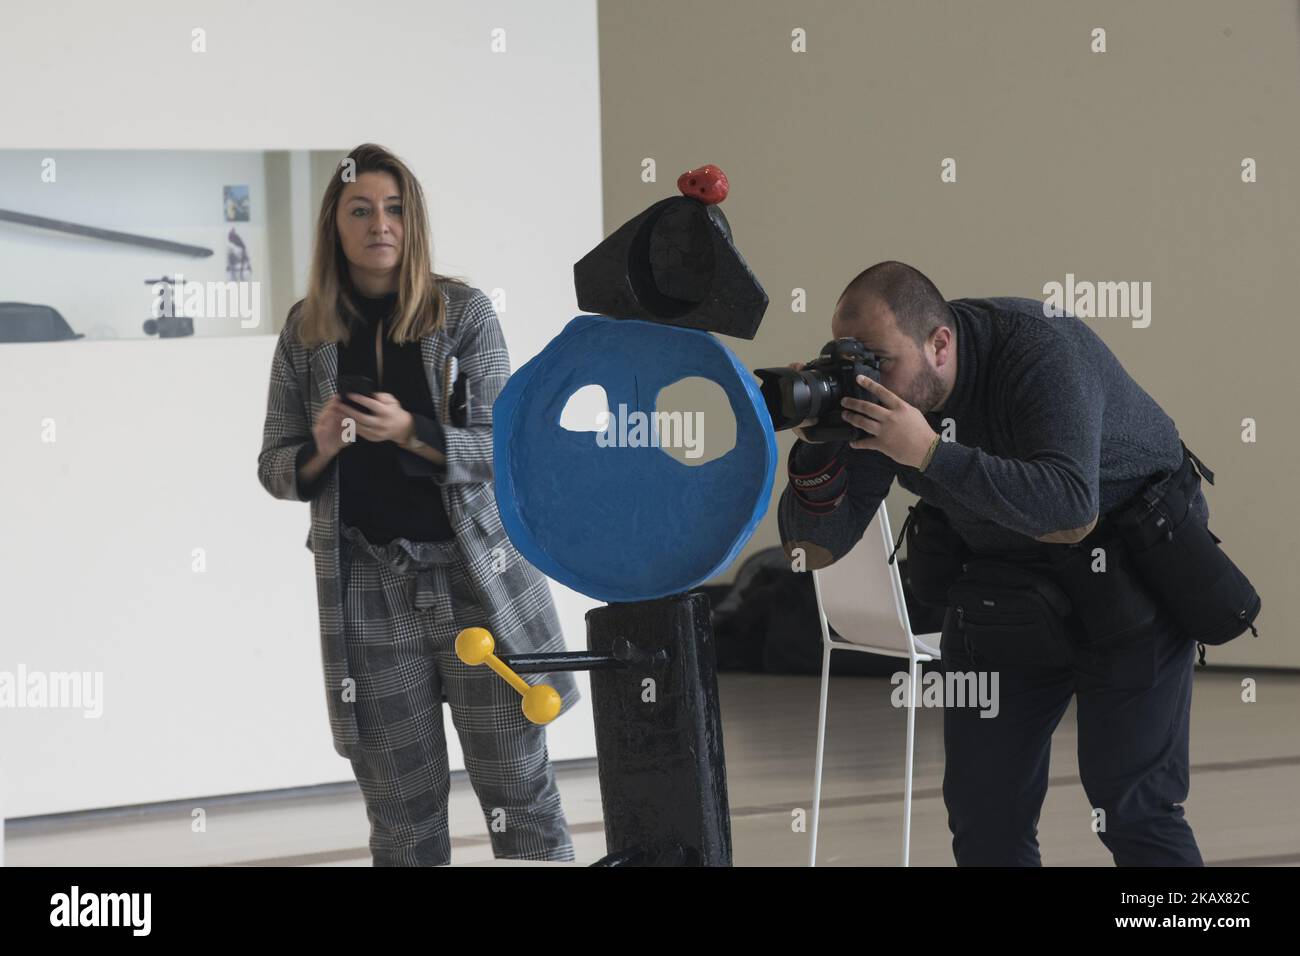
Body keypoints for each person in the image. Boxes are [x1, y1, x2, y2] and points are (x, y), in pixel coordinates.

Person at [778, 260, 1205, 866]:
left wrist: (927, 451)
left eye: (879, 360)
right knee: (984, 815)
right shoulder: (883, 399)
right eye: (852, 360)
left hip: (1130, 572)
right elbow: (810, 551)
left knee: (1133, 806)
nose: (868, 382)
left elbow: (1069, 511)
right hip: (1004, 588)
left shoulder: (1038, 349)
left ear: (940, 344)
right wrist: (816, 455)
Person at [256, 142, 580, 866]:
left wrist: (414, 433)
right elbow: (276, 469)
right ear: (333, 226)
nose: (381, 224)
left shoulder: (462, 314)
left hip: (476, 583)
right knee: (403, 819)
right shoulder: (307, 332)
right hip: (368, 590)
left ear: (415, 222)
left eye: (396, 209)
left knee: (521, 801)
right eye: (361, 209)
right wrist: (321, 448)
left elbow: (507, 451)